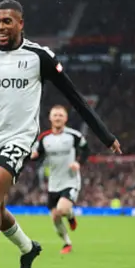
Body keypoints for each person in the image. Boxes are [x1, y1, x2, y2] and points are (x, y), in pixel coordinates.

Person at [0, 0, 121, 268]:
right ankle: (28, 247)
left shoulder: (38, 56)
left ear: (21, 23)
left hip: (19, 138)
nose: (0, 27)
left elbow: (74, 97)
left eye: (7, 21)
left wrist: (105, 135)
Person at [31, 105, 89, 254]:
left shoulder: (73, 136)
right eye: (55, 115)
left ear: (66, 118)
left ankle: (70, 215)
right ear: (50, 118)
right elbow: (37, 154)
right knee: (55, 216)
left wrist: (78, 162)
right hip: (53, 183)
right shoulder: (44, 138)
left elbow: (86, 149)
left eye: (60, 115)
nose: (57, 118)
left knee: (62, 209)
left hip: (70, 181)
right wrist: (32, 156)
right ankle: (67, 243)